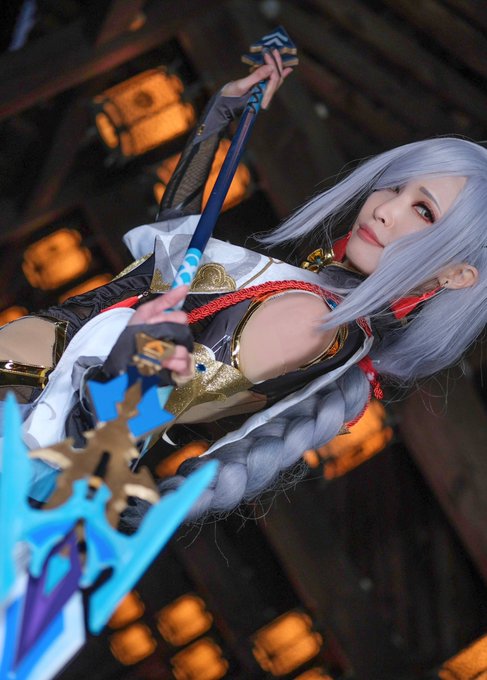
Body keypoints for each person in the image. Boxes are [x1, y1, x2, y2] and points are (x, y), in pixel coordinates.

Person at [0, 51, 485, 522]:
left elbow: (132, 416)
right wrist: (219, 118)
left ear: (456, 275)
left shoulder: (311, 319)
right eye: (394, 186)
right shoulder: (308, 298)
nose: (386, 210)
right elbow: (173, 250)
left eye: (423, 211)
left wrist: (137, 355)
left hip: (32, 425)